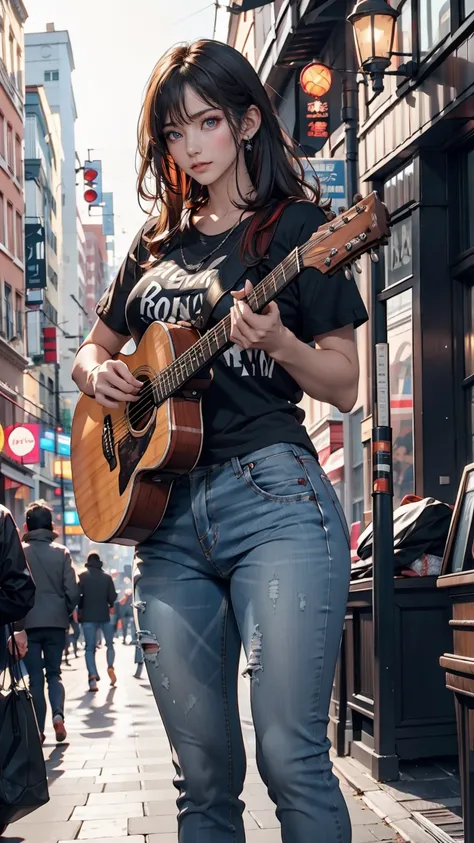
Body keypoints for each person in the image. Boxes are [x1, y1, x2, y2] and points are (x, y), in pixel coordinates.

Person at [72, 39, 368, 843]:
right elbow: (88, 349)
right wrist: (98, 372)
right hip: (162, 521)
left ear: (245, 121)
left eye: (207, 122)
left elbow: (344, 384)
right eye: (174, 133)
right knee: (202, 779)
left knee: (289, 755)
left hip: (273, 498)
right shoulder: (153, 243)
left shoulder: (303, 232)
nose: (191, 145)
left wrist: (279, 343)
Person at [22, 501, 79, 744]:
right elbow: (73, 591)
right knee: (54, 675)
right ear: (51, 526)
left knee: (34, 678)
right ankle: (58, 716)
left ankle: (37, 729)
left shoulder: (19, 552)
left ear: (26, 526)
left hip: (27, 623)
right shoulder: (62, 552)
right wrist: (62, 611)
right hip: (56, 623)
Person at [78, 552, 117, 692]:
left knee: (90, 648)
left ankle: (92, 678)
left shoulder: (82, 577)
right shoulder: (107, 578)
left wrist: (78, 610)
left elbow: (78, 597)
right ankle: (110, 665)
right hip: (104, 615)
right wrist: (110, 604)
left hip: (87, 616)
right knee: (110, 644)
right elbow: (112, 597)